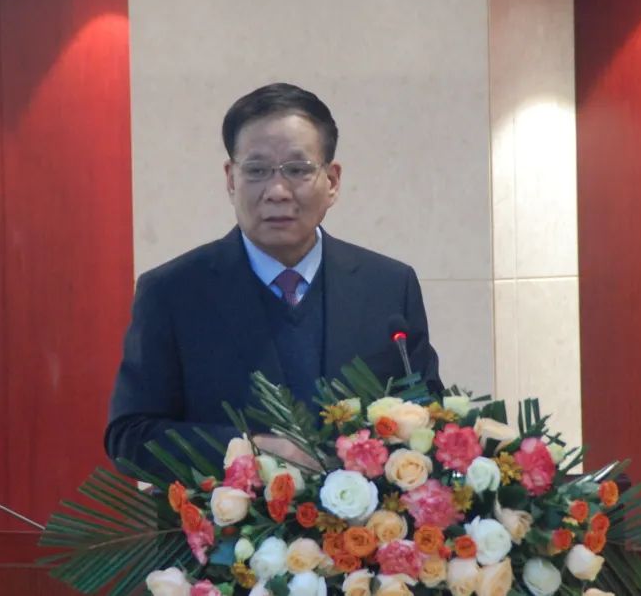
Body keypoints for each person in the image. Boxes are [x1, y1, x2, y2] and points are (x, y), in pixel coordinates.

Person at [105, 82, 441, 475]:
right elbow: (130, 437)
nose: (277, 191)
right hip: (225, 515)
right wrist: (249, 450)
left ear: (332, 181)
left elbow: (429, 420)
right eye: (257, 171)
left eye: (298, 170)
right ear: (231, 179)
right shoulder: (173, 293)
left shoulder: (388, 288)